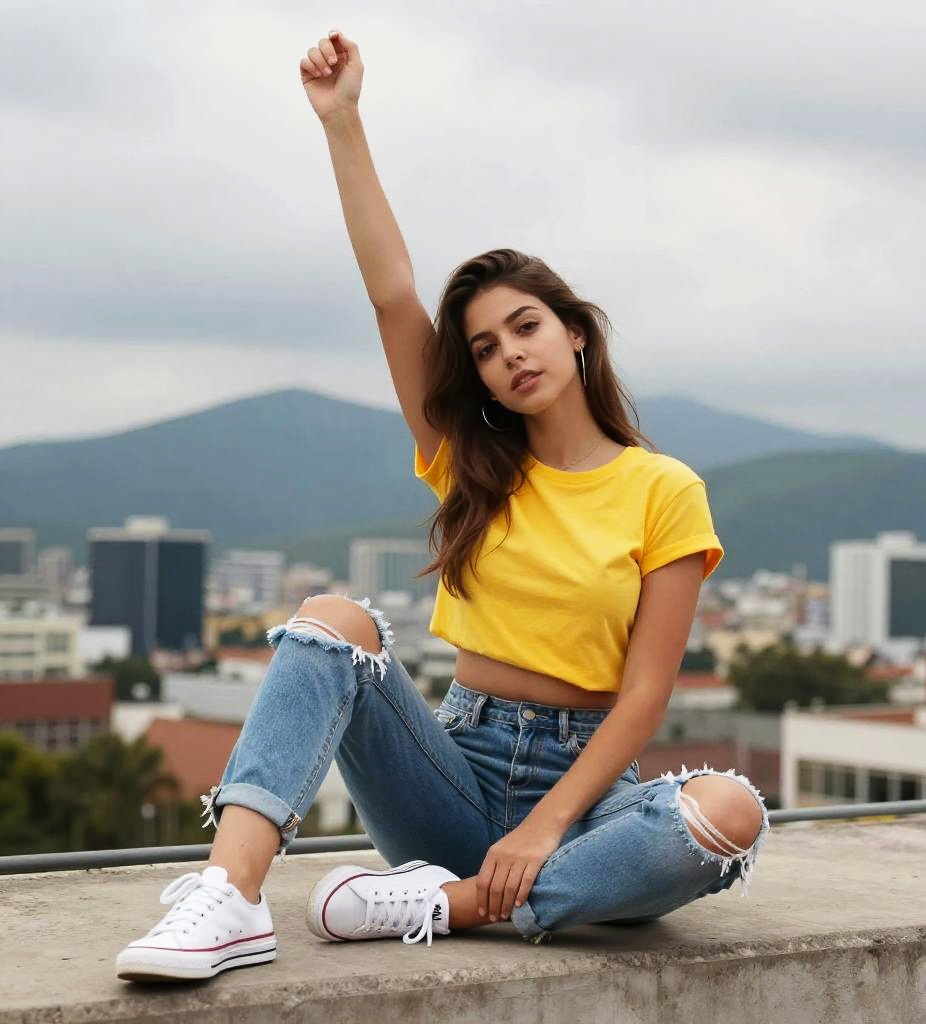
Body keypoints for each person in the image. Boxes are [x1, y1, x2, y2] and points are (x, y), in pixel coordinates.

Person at [114, 28, 770, 983]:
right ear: (483, 380)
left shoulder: (664, 489)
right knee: (332, 621)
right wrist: (343, 122)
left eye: (527, 326)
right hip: (452, 774)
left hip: (584, 797)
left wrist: (545, 828)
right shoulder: (471, 463)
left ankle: (446, 905)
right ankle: (230, 898)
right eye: (488, 349)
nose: (512, 353)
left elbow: (645, 698)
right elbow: (391, 296)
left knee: (731, 813)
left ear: (577, 333)